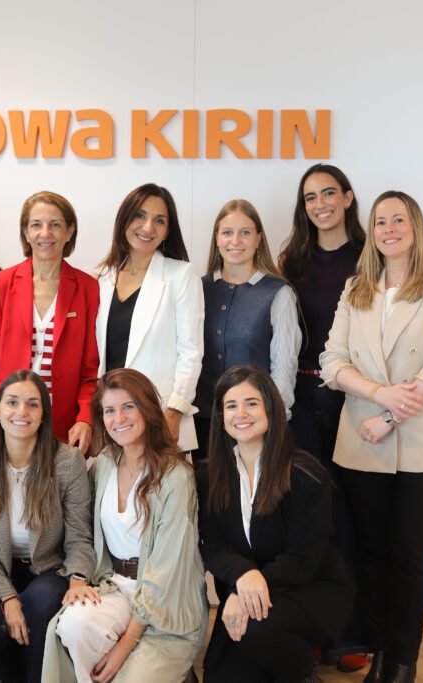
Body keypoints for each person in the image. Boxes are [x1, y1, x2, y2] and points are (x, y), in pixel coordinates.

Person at [320, 191, 423, 683]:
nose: (389, 229)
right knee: (372, 556)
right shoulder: (356, 288)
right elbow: (332, 360)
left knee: (408, 556)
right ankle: (381, 655)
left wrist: (389, 413)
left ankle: (403, 664)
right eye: (381, 221)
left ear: (415, 227)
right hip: (362, 446)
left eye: (398, 220)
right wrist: (379, 394)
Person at [46, 368, 207, 683]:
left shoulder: (176, 477)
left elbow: (165, 575)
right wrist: (78, 577)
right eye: (109, 410)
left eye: (128, 407)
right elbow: (78, 523)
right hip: (115, 586)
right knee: (73, 626)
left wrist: (124, 646)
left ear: (147, 409)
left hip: (165, 602)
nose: (118, 418)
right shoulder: (105, 463)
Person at [197, 364, 352, 683]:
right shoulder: (209, 475)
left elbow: (303, 560)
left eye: (251, 403)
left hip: (309, 590)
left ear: (271, 408)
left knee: (255, 630)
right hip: (251, 593)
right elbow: (213, 546)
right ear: (221, 416)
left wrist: (243, 588)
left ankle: (306, 673)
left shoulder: (305, 473)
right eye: (231, 405)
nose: (241, 413)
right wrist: (244, 575)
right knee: (219, 676)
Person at [0, 370, 97, 683]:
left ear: (43, 415)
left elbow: (79, 536)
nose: (22, 412)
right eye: (12, 402)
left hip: (46, 567)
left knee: (40, 606)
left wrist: (78, 578)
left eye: (33, 404)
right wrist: (7, 597)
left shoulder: (67, 461)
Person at [280, 163, 369, 671]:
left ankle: (351, 634)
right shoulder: (292, 261)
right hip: (301, 399)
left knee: (353, 514)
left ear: (348, 198)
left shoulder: (371, 258)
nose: (320, 204)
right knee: (311, 517)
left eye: (329, 193)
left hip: (354, 397)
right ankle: (313, 625)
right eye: (310, 197)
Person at [0, 191, 99, 455]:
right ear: (26, 232)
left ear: (69, 231)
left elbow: (90, 372)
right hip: (10, 423)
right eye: (36, 225)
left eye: (55, 225)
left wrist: (85, 418)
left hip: (64, 428)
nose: (45, 233)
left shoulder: (88, 288)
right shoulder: (1, 284)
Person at [95, 183, 203, 451]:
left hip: (159, 416)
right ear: (124, 219)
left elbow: (191, 352)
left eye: (159, 220)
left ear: (168, 231)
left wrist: (175, 411)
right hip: (111, 419)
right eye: (140, 216)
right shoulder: (101, 277)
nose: (148, 227)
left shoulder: (181, 275)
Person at [195, 199, 300, 459]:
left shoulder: (279, 293)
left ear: (258, 239)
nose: (235, 241)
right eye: (227, 232)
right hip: (202, 422)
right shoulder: (197, 289)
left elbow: (284, 369)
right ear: (217, 238)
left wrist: (274, 421)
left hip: (254, 425)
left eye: (245, 232)